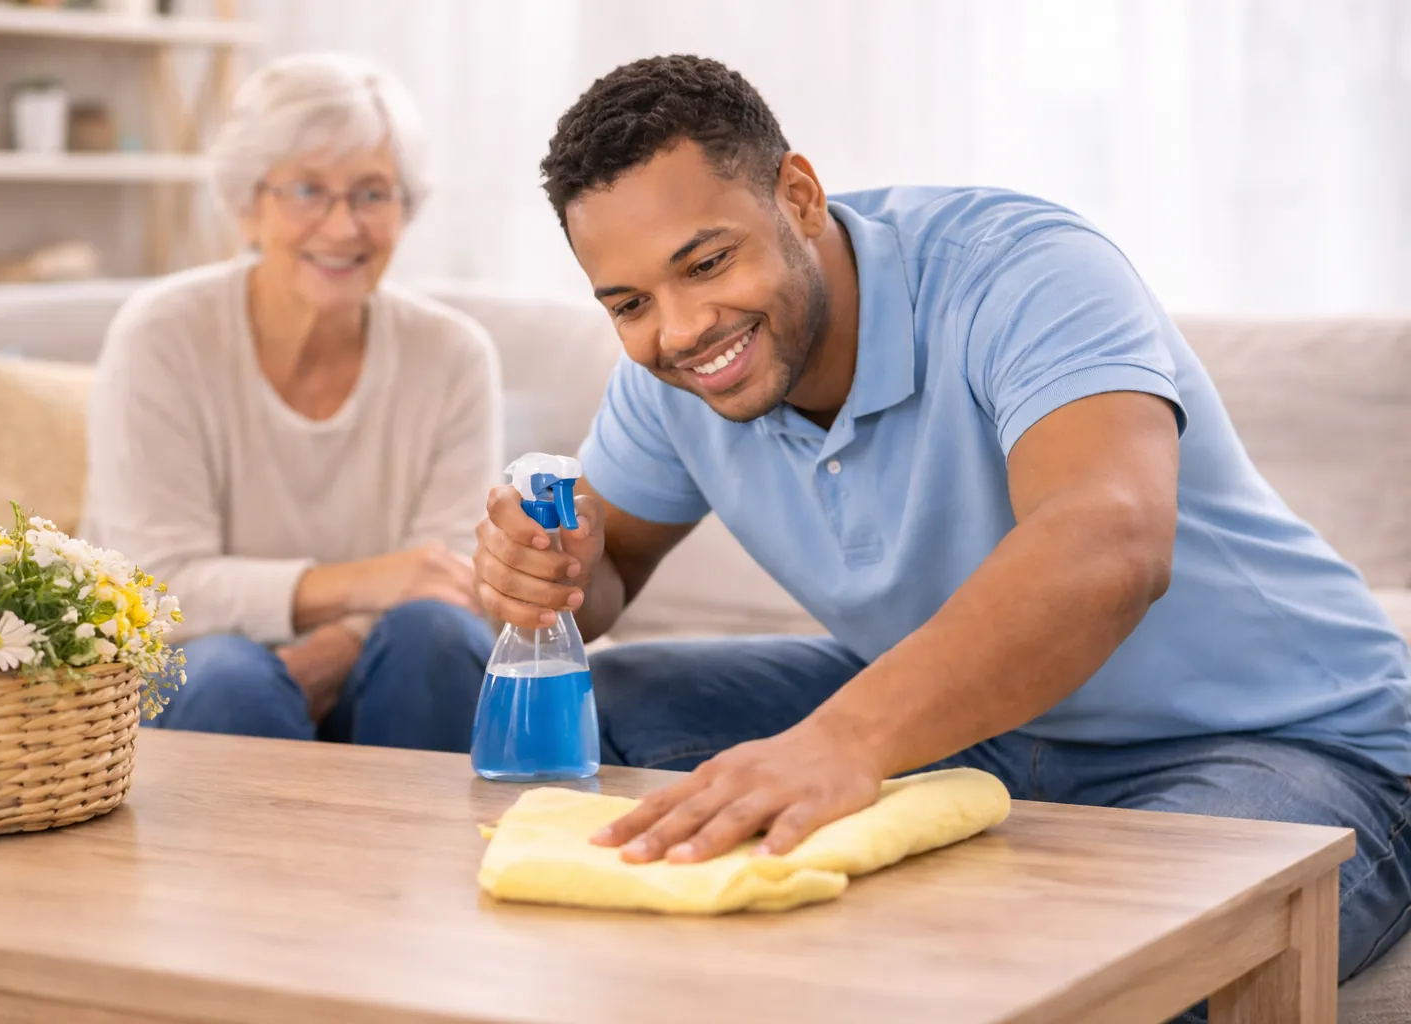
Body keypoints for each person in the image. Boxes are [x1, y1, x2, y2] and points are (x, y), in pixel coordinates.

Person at [472, 54, 1411, 1003]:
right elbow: (609, 572)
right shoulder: (672, 374)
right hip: (981, 734)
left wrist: (846, 739)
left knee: (1110, 971)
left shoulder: (1019, 269)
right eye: (629, 303)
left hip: (1281, 739)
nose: (677, 330)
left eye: (707, 262)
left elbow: (1108, 541)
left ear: (797, 196)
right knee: (615, 703)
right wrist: (548, 574)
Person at [83, 53, 499, 751]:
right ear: (248, 206)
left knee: (438, 635)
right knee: (226, 674)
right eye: (307, 190)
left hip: (382, 671)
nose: (342, 228)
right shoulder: (162, 335)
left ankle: (432, 860)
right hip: (205, 681)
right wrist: (371, 581)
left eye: (373, 194)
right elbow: (153, 587)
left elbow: (449, 581)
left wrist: (331, 650)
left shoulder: (454, 355)